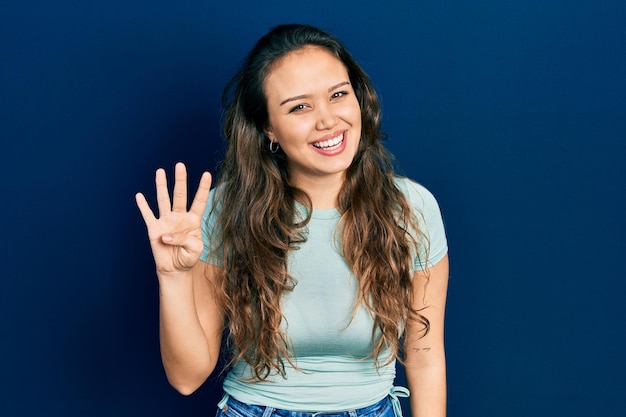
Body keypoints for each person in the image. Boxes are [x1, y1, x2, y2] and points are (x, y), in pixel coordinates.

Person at [136, 24, 449, 417]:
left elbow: (425, 357)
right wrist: (174, 277)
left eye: (338, 95)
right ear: (268, 128)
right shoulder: (223, 210)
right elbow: (187, 377)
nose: (328, 120)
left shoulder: (412, 208)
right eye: (300, 106)